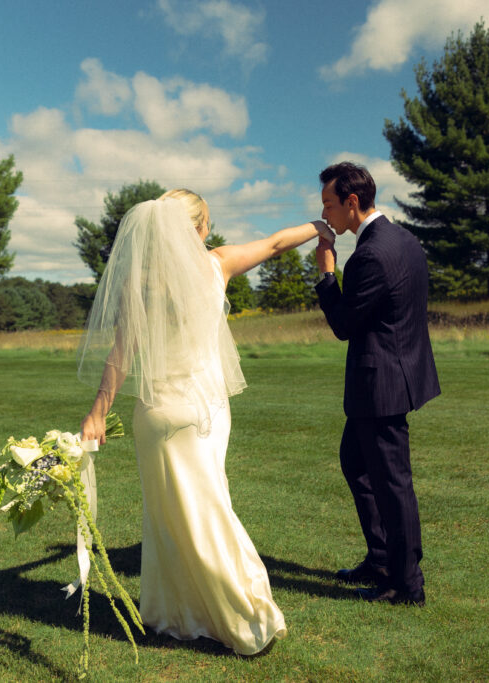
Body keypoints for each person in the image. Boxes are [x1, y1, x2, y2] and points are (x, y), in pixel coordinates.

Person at [78, 189, 333, 654]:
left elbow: (121, 354)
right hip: (201, 411)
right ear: (195, 229)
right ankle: (243, 617)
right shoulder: (218, 264)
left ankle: (170, 612)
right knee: (209, 510)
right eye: (206, 222)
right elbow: (277, 244)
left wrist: (98, 411)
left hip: (154, 414)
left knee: (169, 518)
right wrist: (321, 228)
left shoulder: (145, 283)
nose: (209, 230)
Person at [313, 162, 440, 606]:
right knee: (355, 462)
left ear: (352, 203)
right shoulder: (403, 238)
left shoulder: (369, 254)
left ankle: (407, 587)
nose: (326, 214)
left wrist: (327, 274)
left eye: (329, 204)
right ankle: (382, 557)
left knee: (392, 484)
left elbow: (345, 324)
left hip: (382, 386)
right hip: (397, 375)